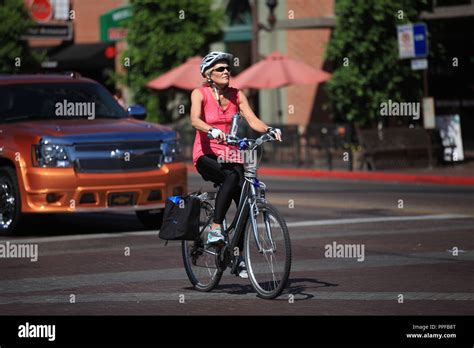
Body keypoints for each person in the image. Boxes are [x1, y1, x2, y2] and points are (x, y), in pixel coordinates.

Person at [190, 51, 282, 278]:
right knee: (230, 177)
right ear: (209, 74)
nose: (226, 72)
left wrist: (269, 129)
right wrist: (210, 130)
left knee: (244, 201)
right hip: (206, 154)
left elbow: (252, 119)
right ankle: (214, 229)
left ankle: (237, 257)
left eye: (227, 69)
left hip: (231, 155)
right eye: (220, 69)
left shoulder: (237, 95)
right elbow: (194, 119)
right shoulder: (199, 93)